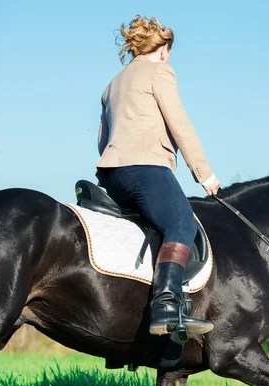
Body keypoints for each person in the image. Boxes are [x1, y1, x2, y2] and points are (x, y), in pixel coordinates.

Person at [96, 15, 220, 336]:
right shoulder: (160, 71)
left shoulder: (112, 85)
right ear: (163, 50)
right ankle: (165, 304)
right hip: (147, 168)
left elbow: (102, 140)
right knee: (181, 223)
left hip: (112, 175)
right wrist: (204, 174)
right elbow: (180, 124)